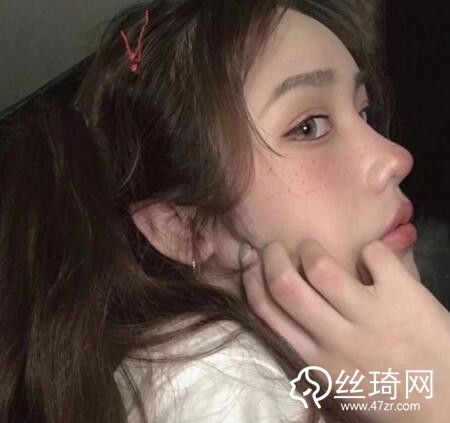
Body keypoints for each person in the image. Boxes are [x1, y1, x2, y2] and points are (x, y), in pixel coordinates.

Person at [1, 1, 444, 422]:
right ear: (182, 229)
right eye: (309, 127)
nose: (395, 158)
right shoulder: (213, 387)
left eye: (364, 112)